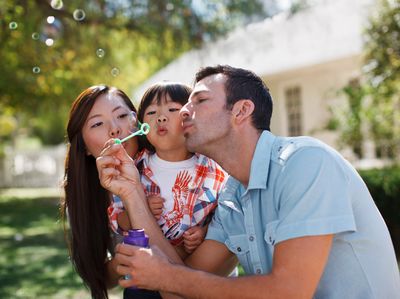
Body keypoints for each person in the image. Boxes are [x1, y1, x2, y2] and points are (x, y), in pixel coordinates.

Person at [98, 65, 400, 298]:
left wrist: (165, 276)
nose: (184, 111)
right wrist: (133, 192)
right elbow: (177, 289)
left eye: (199, 99)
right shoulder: (232, 198)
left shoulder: (305, 162)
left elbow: (288, 293)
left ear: (241, 111)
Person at [108, 82, 228, 298]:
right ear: (142, 125)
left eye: (172, 110)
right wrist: (137, 210)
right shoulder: (135, 168)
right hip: (145, 277)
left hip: (194, 271)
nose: (160, 118)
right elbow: (116, 218)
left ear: (192, 119)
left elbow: (222, 216)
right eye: (152, 112)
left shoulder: (213, 170)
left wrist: (203, 233)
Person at [61, 85, 182, 299]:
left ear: (136, 121)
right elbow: (102, 278)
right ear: (85, 147)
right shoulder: (85, 199)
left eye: (122, 116)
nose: (114, 129)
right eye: (97, 123)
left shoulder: (177, 163)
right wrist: (126, 257)